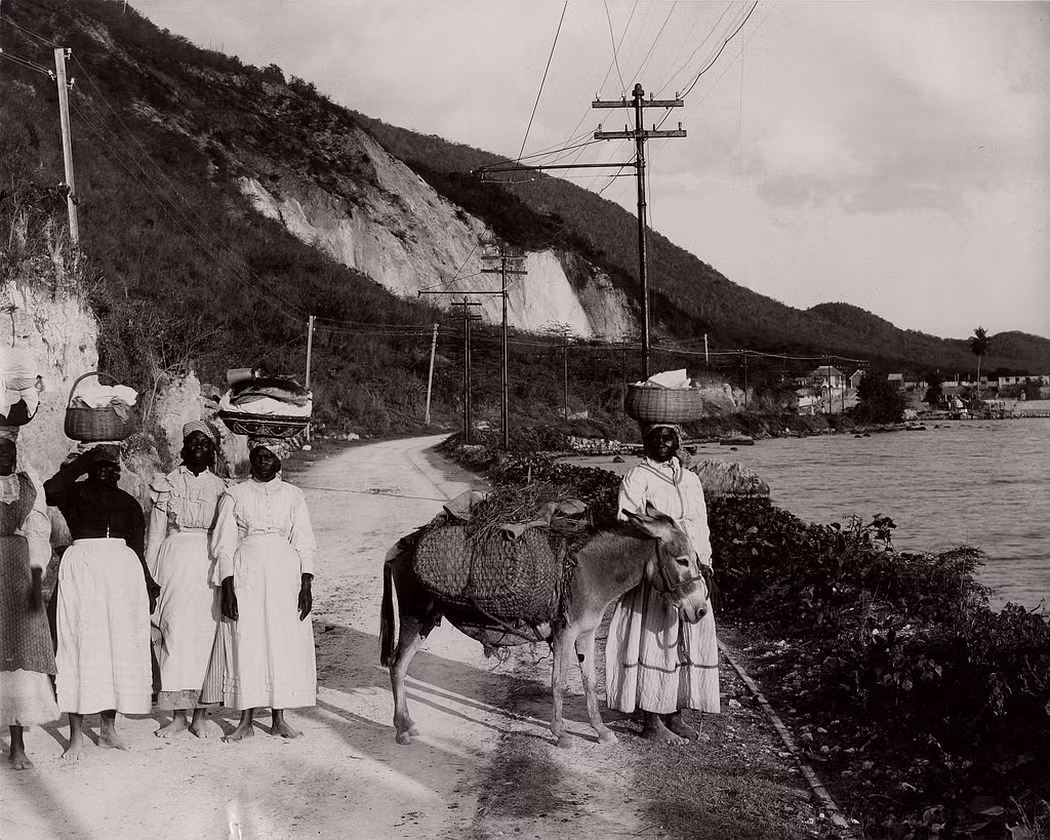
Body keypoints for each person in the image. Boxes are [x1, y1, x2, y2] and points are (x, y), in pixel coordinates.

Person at [605, 422, 720, 744]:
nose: (662, 443)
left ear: (677, 441)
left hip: (690, 568)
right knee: (653, 638)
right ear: (645, 442)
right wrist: (663, 533)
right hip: (657, 571)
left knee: (687, 635)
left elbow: (701, 524)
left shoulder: (690, 479)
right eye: (655, 438)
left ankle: (675, 713)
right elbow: (625, 518)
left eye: (668, 437)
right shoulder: (638, 477)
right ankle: (651, 719)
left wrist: (705, 562)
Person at [44, 444, 159, 761]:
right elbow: (50, 490)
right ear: (90, 470)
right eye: (101, 466)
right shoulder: (75, 494)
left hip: (123, 577)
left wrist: (148, 584)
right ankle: (76, 736)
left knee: (115, 648)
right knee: (79, 646)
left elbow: (137, 546)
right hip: (83, 572)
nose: (108, 471)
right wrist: (82, 460)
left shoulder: (129, 503)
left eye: (113, 467)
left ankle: (108, 730)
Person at [202, 439, 316, 740]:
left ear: (279, 461)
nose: (264, 461)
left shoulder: (293, 495)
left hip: (284, 573)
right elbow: (224, 544)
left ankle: (280, 718)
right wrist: (227, 585)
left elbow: (304, 539)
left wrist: (306, 583)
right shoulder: (235, 494)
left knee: (281, 640)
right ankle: (245, 721)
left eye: (270, 457)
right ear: (251, 460)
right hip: (247, 571)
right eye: (258, 456)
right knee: (247, 641)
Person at [146, 421, 226, 738]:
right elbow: (155, 534)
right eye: (193, 442)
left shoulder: (221, 488)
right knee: (174, 632)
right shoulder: (166, 484)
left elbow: (227, 537)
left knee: (205, 635)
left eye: (205, 443)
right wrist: (151, 577)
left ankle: (200, 715)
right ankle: (178, 715)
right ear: (183, 447)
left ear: (212, 451)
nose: (198, 447)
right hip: (174, 561)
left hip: (207, 564)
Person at [0, 429, 59, 769]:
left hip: (19, 573)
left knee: (21, 654)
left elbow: (38, 535)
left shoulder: (27, 486)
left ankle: (18, 745)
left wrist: (36, 582)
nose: (4, 455)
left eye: (9, 449)